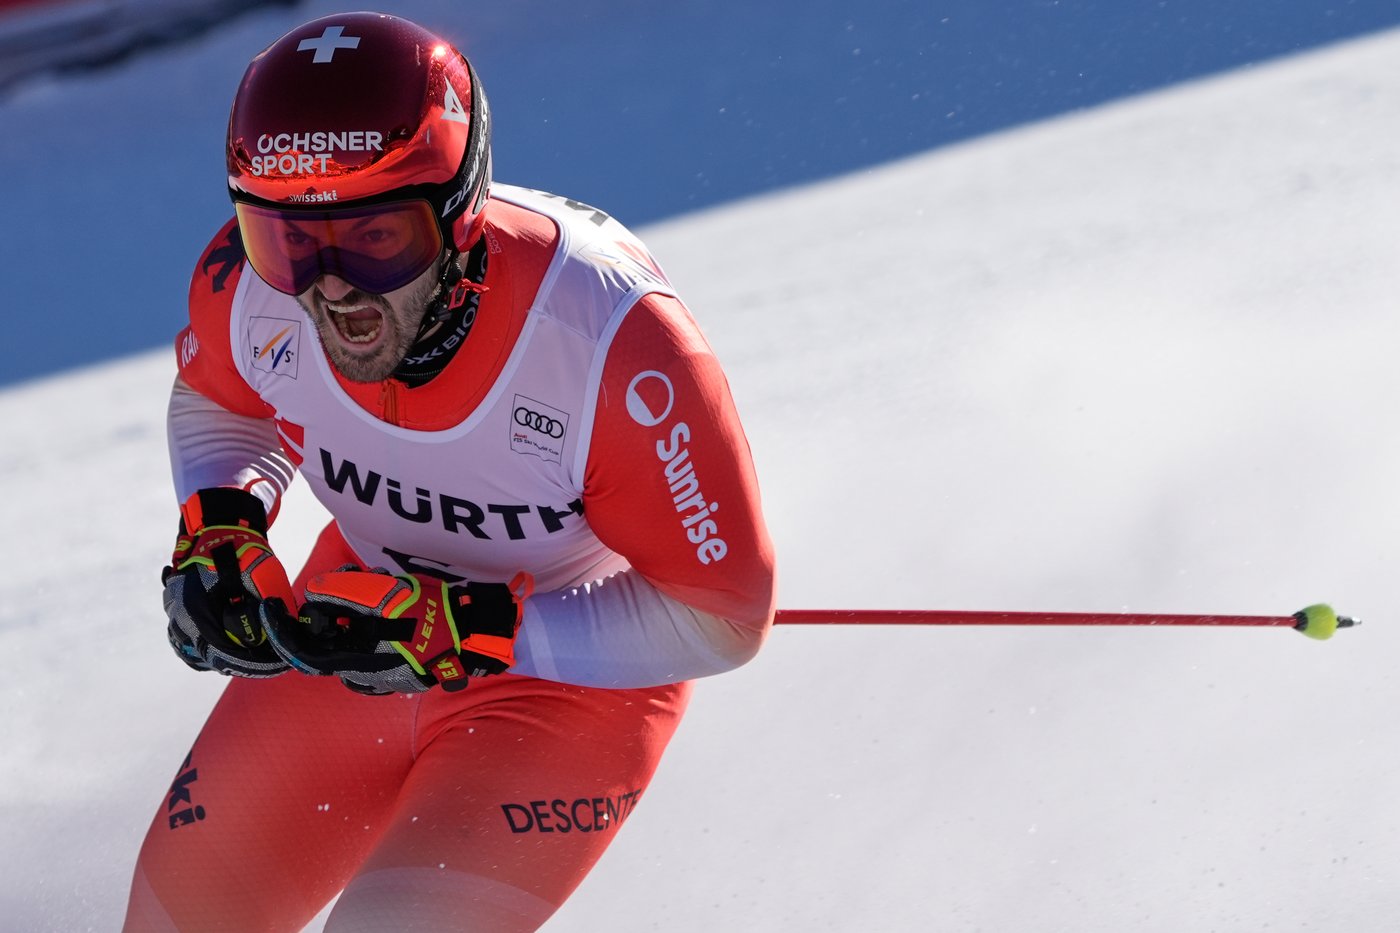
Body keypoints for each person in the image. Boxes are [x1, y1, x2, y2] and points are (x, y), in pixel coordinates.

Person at [122, 11, 776, 931]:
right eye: (288, 241)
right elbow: (221, 400)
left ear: (461, 210)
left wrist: (483, 630)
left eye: (377, 239)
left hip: (567, 690)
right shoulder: (247, 286)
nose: (330, 285)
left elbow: (725, 619)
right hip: (353, 624)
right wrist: (224, 520)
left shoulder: (614, 345)